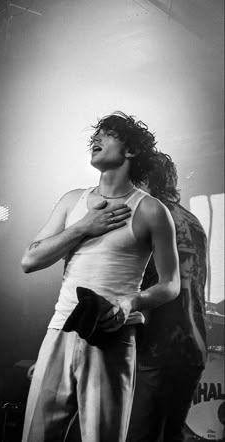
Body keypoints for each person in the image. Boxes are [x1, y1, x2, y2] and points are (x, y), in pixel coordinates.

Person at [21, 112, 180, 442]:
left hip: (113, 335)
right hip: (60, 329)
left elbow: (171, 283)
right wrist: (84, 227)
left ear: (131, 150)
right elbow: (30, 259)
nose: (96, 139)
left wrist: (131, 301)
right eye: (97, 134)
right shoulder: (72, 200)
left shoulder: (150, 209)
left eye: (108, 134)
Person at [126, 152, 208, 442]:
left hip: (156, 346)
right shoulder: (193, 220)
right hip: (192, 346)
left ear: (145, 180)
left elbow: (139, 284)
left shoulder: (151, 216)